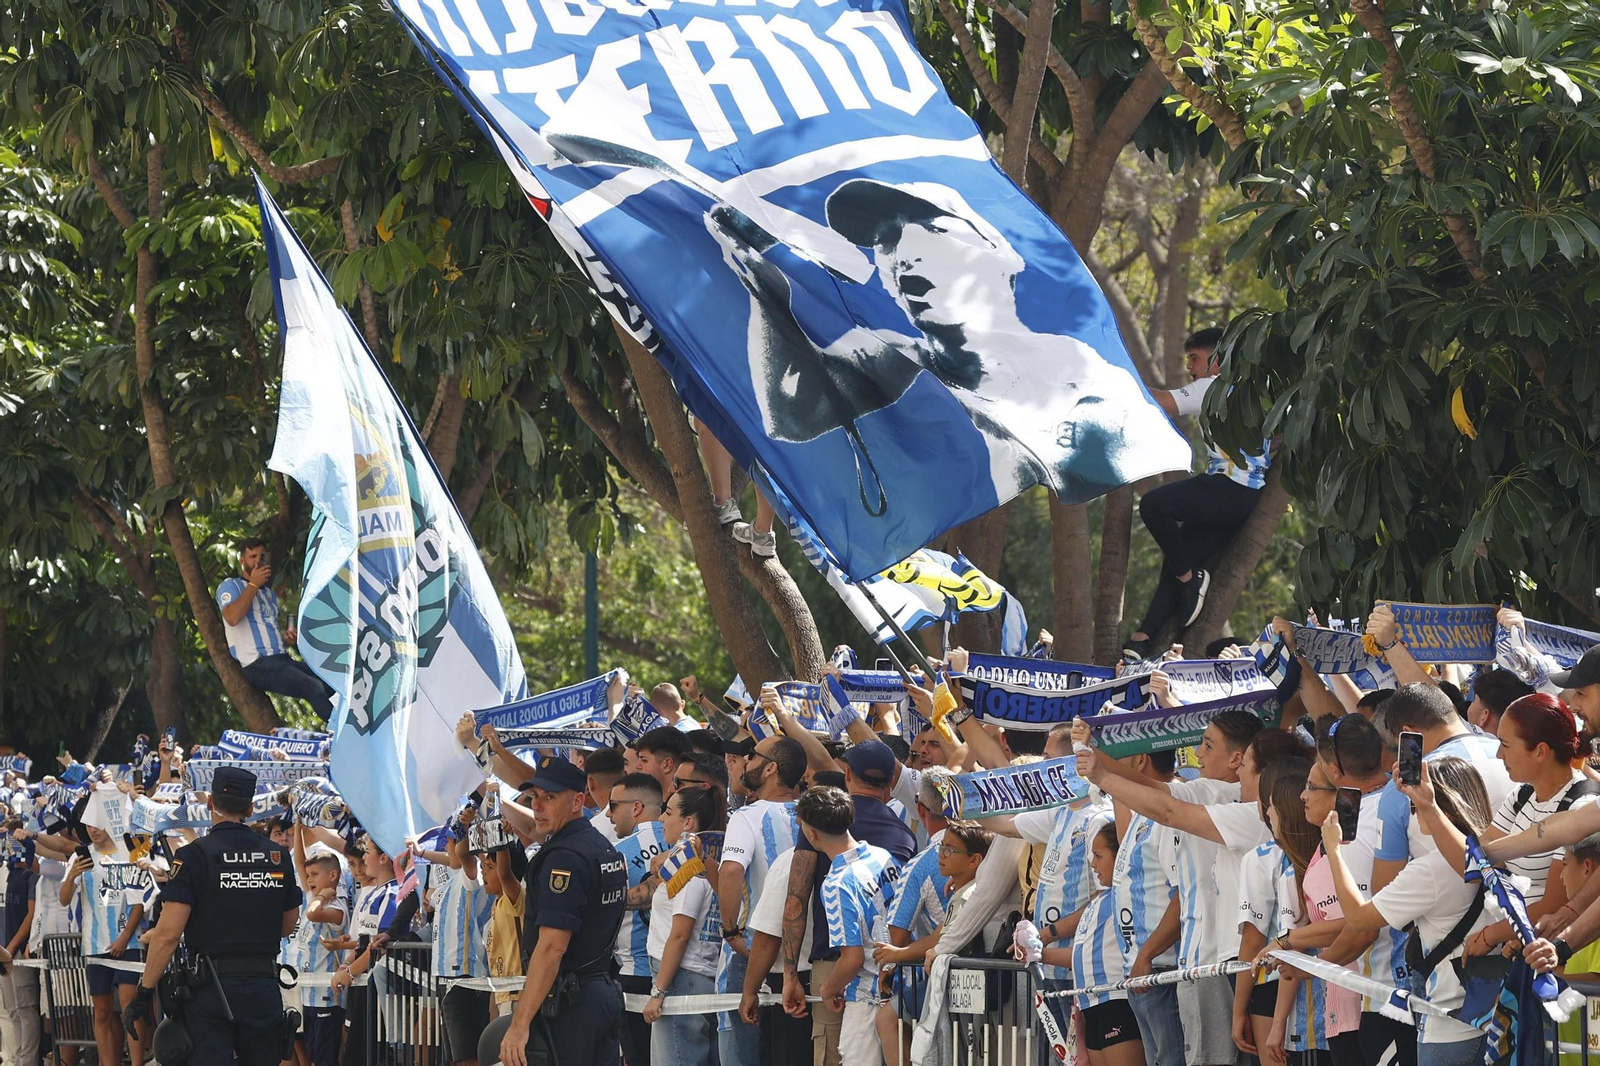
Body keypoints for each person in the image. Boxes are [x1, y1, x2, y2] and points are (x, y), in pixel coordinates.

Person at [122, 765, 303, 1066]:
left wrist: (144, 993)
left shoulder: (194, 855)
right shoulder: (277, 855)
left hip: (211, 991)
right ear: (248, 808)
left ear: (210, 804)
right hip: (262, 988)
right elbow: (287, 925)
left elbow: (167, 935)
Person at [1327, 757, 1496, 1066]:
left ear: (1439, 807)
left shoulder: (1431, 869)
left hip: (1448, 1025)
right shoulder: (1494, 853)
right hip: (1496, 1019)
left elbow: (1359, 918)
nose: (1412, 814)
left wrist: (1334, 851)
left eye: (1415, 806)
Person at [1125, 328, 1270, 658]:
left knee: (1154, 505)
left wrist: (1121, 378)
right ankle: (1143, 638)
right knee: (1177, 557)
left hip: (1229, 488)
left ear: (1216, 361)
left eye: (1195, 358)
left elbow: (1163, 403)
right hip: (1243, 497)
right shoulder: (1252, 392)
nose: (1190, 366)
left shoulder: (1213, 387)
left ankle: (1191, 581)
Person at [495, 756, 627, 1066]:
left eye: (550, 797)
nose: (538, 805)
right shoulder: (598, 845)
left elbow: (553, 947)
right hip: (597, 991)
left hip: (571, 1000)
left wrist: (519, 1024)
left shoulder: (565, 858)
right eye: (534, 796)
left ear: (578, 801)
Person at [717, 736, 804, 1066]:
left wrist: (730, 932)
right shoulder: (813, 811)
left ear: (771, 768)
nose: (745, 761)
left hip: (756, 954)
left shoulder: (746, 817)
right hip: (806, 954)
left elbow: (731, 873)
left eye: (752, 756)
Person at [804, 786, 902, 1066]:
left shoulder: (836, 883)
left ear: (812, 834)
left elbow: (852, 957)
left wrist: (827, 989)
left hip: (868, 995)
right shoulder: (882, 855)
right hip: (905, 987)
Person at [643, 785, 727, 1062]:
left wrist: (659, 991)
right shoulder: (711, 864)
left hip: (681, 979)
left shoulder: (690, 871)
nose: (661, 819)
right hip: (697, 977)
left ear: (688, 822)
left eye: (668, 812)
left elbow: (679, 935)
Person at [215, 538, 335, 719]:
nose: (256, 561)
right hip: (258, 663)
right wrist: (253, 584)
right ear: (242, 560)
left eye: (261, 556)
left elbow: (266, 633)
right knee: (312, 687)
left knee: (330, 681)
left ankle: (346, 725)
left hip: (281, 659)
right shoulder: (230, 586)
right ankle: (344, 738)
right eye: (252, 556)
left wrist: (286, 639)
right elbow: (232, 618)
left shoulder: (270, 595)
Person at [1060, 823, 1143, 1066]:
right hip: (1091, 1005)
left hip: (1116, 1000)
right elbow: (1081, 955)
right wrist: (1037, 953)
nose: (1093, 864)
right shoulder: (1098, 902)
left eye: (1098, 856)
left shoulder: (1124, 895)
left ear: (1120, 857)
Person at [609, 772, 668, 1066]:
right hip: (679, 971)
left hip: (637, 971)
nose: (608, 813)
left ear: (635, 807)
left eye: (613, 805)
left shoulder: (618, 851)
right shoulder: (685, 843)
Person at [1466, 668, 1535, 736]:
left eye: (1474, 701)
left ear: (1484, 716)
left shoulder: (1464, 745)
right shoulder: (1526, 744)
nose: (1469, 706)